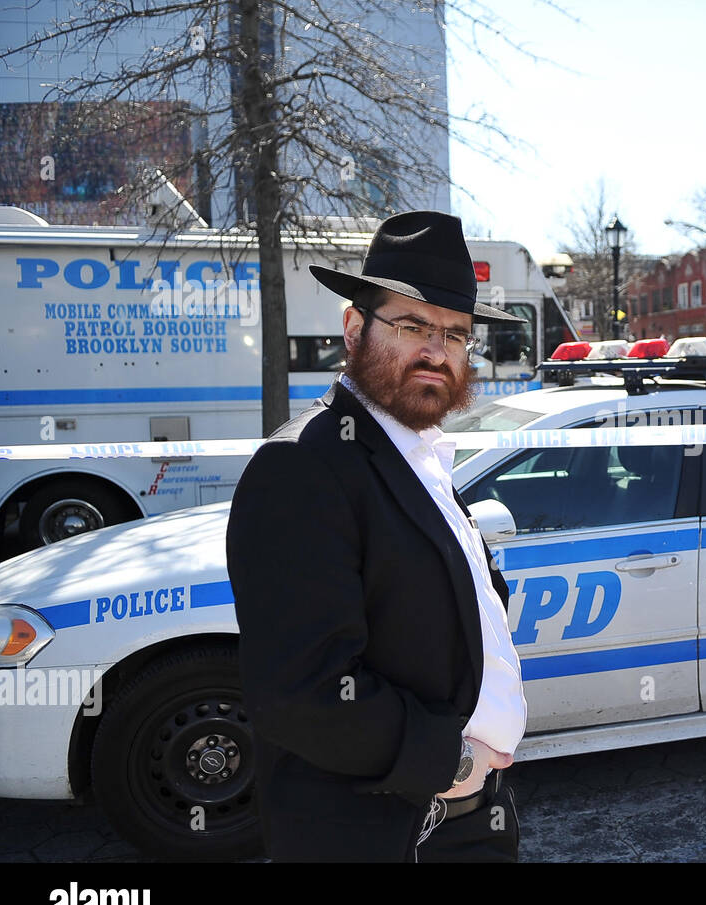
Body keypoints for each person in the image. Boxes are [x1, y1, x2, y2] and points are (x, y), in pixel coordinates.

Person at [226, 211, 528, 863]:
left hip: (472, 821)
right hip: (387, 834)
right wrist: (449, 759)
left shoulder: (418, 452)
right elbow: (301, 692)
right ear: (354, 329)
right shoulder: (304, 465)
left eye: (454, 333)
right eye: (412, 325)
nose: (436, 350)